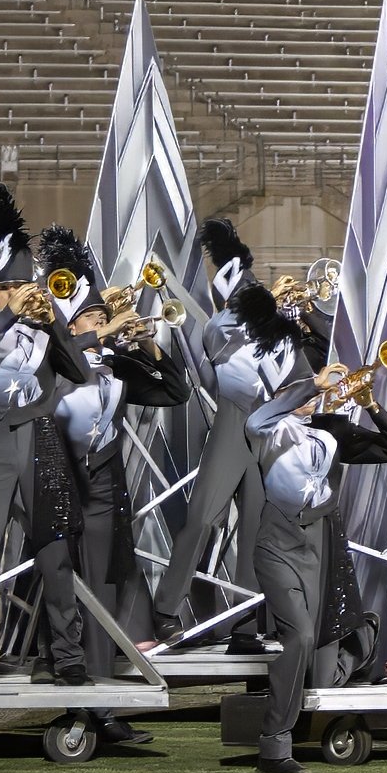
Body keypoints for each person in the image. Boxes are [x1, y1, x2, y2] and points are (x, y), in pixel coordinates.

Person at [0, 182, 94, 688]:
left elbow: (81, 373)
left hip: (40, 445)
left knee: (54, 557)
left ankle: (66, 656)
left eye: (24, 285)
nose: (20, 293)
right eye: (8, 287)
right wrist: (8, 316)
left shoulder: (43, 330)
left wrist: (56, 325)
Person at [244, 343, 387, 773]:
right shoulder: (270, 429)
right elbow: (257, 419)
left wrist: (370, 404)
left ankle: (295, 725)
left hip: (317, 545)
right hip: (277, 543)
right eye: (298, 390)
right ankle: (274, 747)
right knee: (298, 635)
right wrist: (312, 385)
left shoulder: (329, 430)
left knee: (314, 641)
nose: (312, 396)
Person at [38, 225, 190, 686]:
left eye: (102, 316)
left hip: (103, 484)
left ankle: (100, 689)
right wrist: (99, 333)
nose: (101, 323)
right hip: (57, 482)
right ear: (70, 326)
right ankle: (56, 667)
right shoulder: (50, 361)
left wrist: (145, 341)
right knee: (56, 580)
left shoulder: (117, 368)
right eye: (90, 317)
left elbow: (175, 392)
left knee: (101, 584)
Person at [150, 219, 283, 651]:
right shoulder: (219, 327)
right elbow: (220, 342)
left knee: (255, 531)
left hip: (267, 424)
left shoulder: (272, 327)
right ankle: (166, 609)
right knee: (204, 516)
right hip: (232, 421)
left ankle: (244, 624)